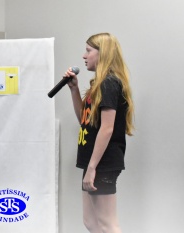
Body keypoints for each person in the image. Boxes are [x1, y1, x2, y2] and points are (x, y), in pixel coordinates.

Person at [64, 32, 134, 233]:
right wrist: (74, 90)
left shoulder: (109, 83)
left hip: (102, 163)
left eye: (88, 50)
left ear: (103, 54)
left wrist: (93, 167)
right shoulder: (98, 85)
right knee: (91, 222)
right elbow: (84, 121)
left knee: (107, 224)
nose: (84, 56)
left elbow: (107, 128)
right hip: (92, 162)